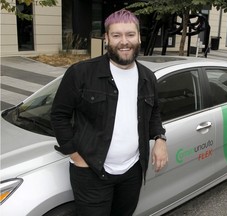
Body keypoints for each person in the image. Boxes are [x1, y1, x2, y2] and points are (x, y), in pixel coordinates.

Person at [50, 9, 168, 216]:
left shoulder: (148, 77)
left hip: (132, 171)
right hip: (91, 172)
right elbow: (59, 115)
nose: (124, 41)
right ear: (106, 38)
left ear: (139, 37)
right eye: (116, 35)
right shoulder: (81, 73)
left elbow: (154, 111)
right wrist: (75, 155)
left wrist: (160, 138)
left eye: (130, 34)